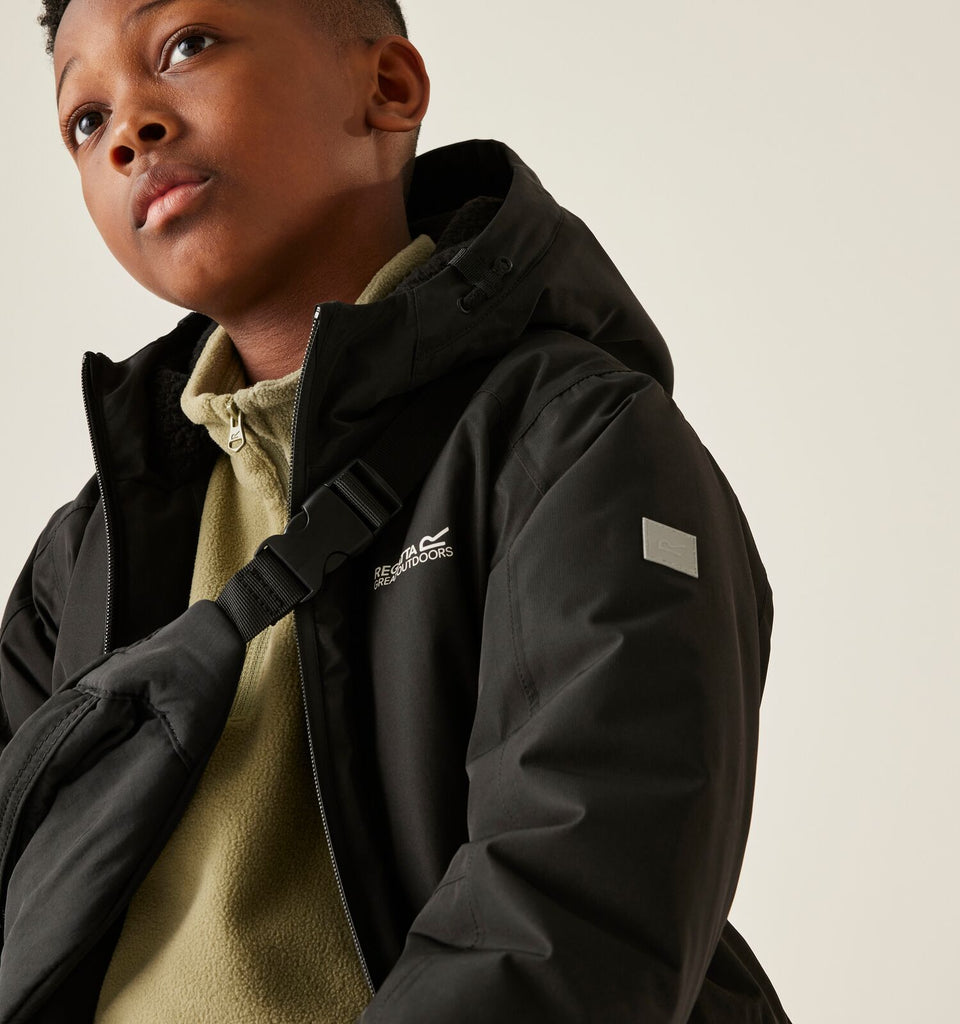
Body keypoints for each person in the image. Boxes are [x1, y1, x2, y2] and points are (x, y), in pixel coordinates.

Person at [0, 0, 791, 1020]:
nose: (129, 131)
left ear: (387, 90)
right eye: (85, 118)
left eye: (186, 45)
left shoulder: (574, 446)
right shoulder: (90, 552)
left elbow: (570, 922)